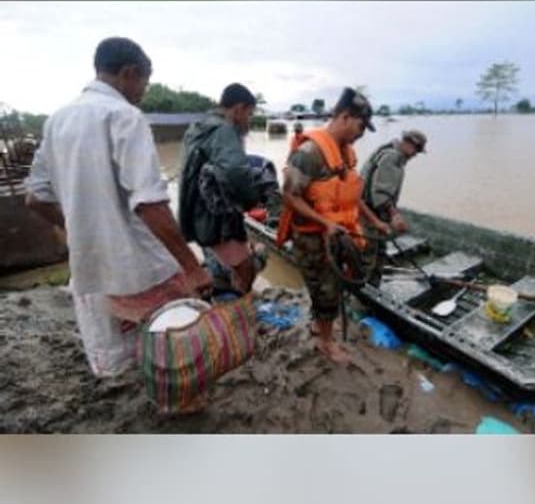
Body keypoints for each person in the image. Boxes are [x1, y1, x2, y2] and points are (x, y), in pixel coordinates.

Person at [24, 37, 211, 377]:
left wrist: (79, 227)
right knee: (171, 347)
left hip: (90, 265)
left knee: (125, 357)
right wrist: (191, 266)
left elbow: (35, 197)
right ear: (129, 73)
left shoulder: (56, 122)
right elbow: (150, 204)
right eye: (144, 83)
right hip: (139, 268)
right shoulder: (125, 116)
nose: (143, 92)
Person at [278, 87, 392, 363]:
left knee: (330, 287)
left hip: (338, 234)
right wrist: (325, 223)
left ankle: (321, 325)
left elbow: (350, 195)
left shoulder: (345, 153)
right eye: (361, 125)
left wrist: (374, 220)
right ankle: (326, 343)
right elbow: (290, 195)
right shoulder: (309, 153)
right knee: (326, 291)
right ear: (343, 116)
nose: (362, 133)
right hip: (312, 239)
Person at [178, 83, 265, 295]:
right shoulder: (224, 130)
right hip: (217, 217)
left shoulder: (198, 126)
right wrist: (252, 200)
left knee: (224, 260)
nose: (248, 120)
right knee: (247, 267)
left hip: (195, 213)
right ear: (238, 109)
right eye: (249, 114)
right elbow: (236, 171)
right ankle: (240, 308)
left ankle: (225, 290)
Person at [359, 129, 427, 286]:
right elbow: (381, 194)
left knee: (378, 251)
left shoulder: (387, 149)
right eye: (416, 150)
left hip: (365, 209)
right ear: (409, 144)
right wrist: (394, 215)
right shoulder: (393, 158)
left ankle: (371, 286)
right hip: (371, 213)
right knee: (370, 254)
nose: (415, 155)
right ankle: (364, 291)